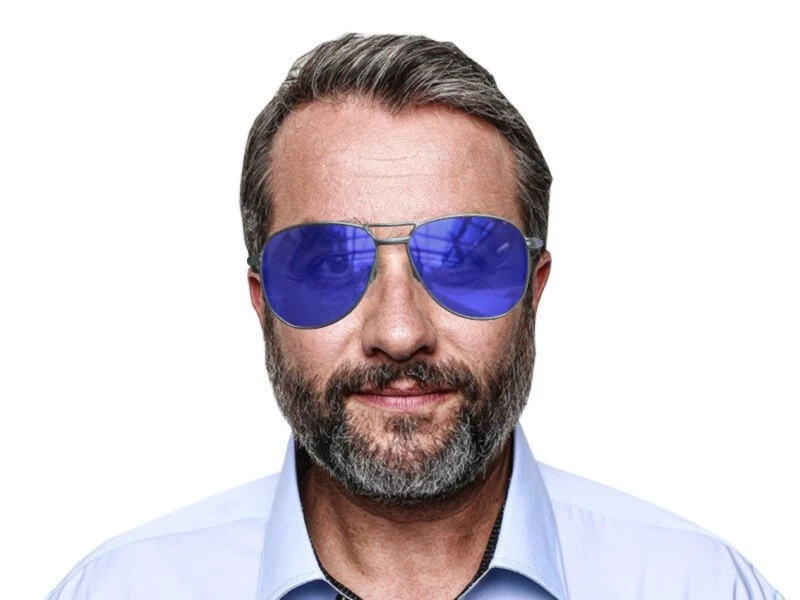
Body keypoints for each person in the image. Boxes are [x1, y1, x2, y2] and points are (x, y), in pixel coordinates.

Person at [48, 33, 783, 600]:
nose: (399, 333)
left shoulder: (700, 586)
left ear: (534, 290)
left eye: (465, 260)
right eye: (327, 266)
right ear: (261, 301)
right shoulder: (122, 590)